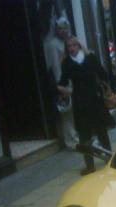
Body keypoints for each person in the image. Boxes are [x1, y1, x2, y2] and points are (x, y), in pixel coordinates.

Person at [57, 36, 112, 175]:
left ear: (80, 45)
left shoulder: (90, 58)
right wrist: (58, 88)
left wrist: (104, 87)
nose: (72, 48)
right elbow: (63, 80)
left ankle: (109, 158)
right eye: (69, 46)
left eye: (74, 45)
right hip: (80, 102)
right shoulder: (67, 63)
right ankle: (89, 165)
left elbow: (103, 74)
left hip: (95, 99)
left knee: (101, 131)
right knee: (84, 135)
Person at [44, 16, 78, 149]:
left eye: (65, 28)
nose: (63, 31)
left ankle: (76, 137)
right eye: (60, 28)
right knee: (67, 113)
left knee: (74, 112)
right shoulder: (54, 45)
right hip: (64, 83)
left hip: (74, 81)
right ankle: (71, 142)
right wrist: (61, 86)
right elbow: (56, 67)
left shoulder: (71, 41)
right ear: (56, 30)